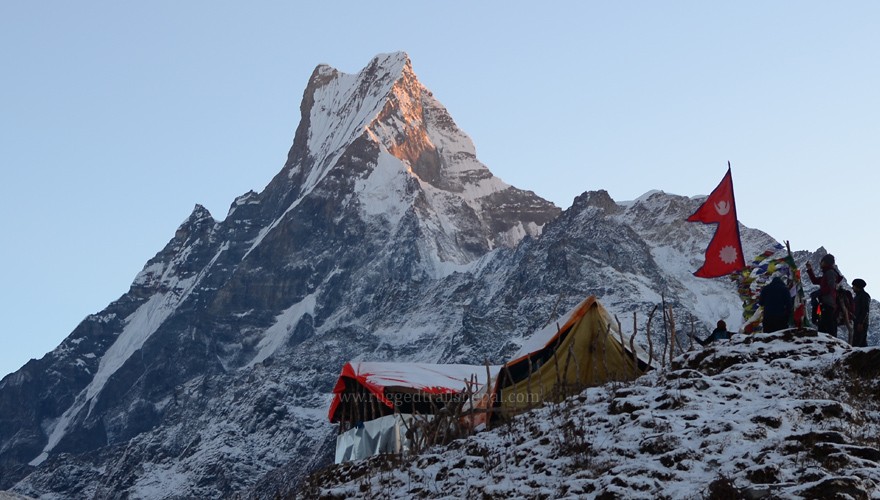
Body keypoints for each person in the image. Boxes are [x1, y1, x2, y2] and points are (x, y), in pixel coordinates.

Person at [806, 254, 841, 336]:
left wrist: (820, 292)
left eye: (822, 261)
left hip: (828, 303)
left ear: (826, 262)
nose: (820, 263)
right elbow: (815, 281)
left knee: (826, 326)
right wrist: (810, 270)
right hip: (824, 304)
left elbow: (830, 287)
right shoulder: (827, 273)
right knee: (823, 324)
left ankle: (830, 344)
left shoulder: (830, 273)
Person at [852, 278, 871, 347]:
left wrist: (861, 323)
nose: (852, 288)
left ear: (857, 286)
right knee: (862, 343)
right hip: (857, 322)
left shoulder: (864, 296)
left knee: (857, 343)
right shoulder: (857, 296)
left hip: (861, 323)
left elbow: (865, 310)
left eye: (853, 286)